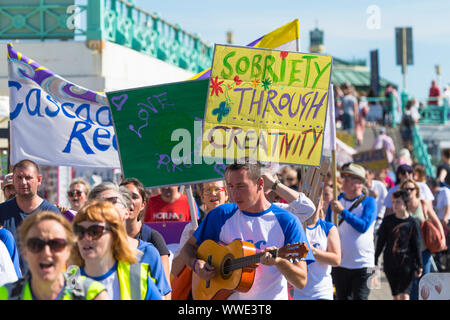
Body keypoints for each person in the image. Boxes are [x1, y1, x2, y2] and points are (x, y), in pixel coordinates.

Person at [176, 161, 315, 300]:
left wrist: (279, 261)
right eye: (230, 186)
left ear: (260, 184)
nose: (234, 193)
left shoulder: (287, 221)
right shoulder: (220, 215)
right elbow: (188, 249)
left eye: (241, 186)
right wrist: (196, 264)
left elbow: (301, 281)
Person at [88, 182, 171, 299]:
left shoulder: (147, 253)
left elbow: (164, 295)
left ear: (126, 212)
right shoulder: (80, 254)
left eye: (113, 201)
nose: (106, 208)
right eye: (99, 204)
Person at [0, 211, 108, 300]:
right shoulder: (5, 295)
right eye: (36, 244)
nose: (46, 253)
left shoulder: (92, 294)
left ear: (68, 250)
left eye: (56, 244)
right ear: (24, 251)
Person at [70, 201, 162, 300]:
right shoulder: (66, 281)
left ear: (114, 235)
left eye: (94, 231)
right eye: (79, 231)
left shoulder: (136, 277)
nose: (86, 238)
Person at [325, 163, 377, 300]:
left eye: (350, 177)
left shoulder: (369, 202)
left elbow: (363, 227)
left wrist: (343, 212)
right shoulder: (335, 202)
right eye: (344, 177)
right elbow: (327, 229)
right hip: (340, 264)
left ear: (360, 182)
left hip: (364, 265)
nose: (345, 180)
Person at [0, 159, 60, 272]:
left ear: (39, 180)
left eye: (28, 178)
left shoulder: (52, 213)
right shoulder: (2, 211)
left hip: (41, 283)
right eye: (19, 178)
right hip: (8, 286)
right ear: (13, 180)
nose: (23, 182)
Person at [399, 179, 444, 299]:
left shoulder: (423, 204)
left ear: (416, 191)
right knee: (411, 285)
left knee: (425, 282)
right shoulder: (400, 206)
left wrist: (442, 237)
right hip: (407, 253)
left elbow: (436, 221)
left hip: (424, 250)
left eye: (411, 189)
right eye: (406, 189)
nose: (408, 191)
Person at [119, 178, 171, 284]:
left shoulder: (153, 238)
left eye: (134, 197)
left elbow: (165, 289)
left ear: (143, 205)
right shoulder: (107, 237)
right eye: (125, 196)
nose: (129, 201)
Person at [375, 190, 423, 300]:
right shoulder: (388, 220)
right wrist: (375, 258)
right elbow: (381, 241)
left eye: (398, 202)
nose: (395, 205)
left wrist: (419, 264)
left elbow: (417, 244)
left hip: (407, 262)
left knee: (405, 294)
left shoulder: (412, 222)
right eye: (393, 202)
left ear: (405, 204)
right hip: (390, 261)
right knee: (395, 294)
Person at [293, 194, 341, 300]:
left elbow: (336, 260)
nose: (312, 205)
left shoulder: (328, 227)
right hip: (299, 294)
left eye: (316, 201)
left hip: (321, 292)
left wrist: (311, 250)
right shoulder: (295, 227)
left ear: (321, 205)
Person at [365, 167, 388, 234]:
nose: (364, 178)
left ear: (371, 175)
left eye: (366, 175)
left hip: (380, 223)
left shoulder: (379, 185)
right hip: (367, 223)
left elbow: (387, 202)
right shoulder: (359, 188)